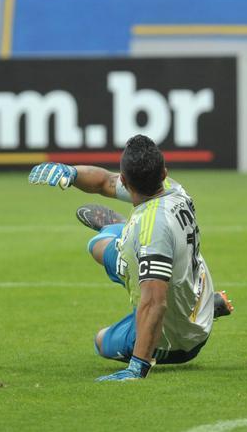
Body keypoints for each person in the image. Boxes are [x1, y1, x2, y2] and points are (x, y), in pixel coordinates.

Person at [28, 135, 232, 380]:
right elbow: (104, 181)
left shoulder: (154, 230)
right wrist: (71, 173)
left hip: (177, 342)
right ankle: (128, 236)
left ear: (125, 180)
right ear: (164, 173)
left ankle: (127, 236)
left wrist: (138, 366)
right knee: (97, 246)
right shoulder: (173, 189)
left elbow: (154, 303)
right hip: (188, 288)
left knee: (101, 341)